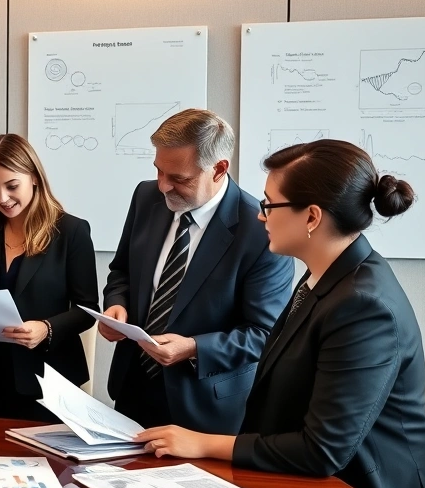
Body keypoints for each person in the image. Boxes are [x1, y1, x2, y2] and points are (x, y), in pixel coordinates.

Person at [135, 139, 425, 488]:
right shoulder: (323, 274)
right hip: (317, 482)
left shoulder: (364, 305)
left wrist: (203, 443)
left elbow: (322, 451)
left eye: (269, 205)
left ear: (312, 217)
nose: (260, 215)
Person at [100, 108, 293, 434]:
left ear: (218, 169)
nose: (163, 186)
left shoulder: (260, 231)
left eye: (179, 179)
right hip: (132, 388)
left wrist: (192, 348)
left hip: (205, 407)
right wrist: (117, 305)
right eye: (159, 171)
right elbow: (122, 271)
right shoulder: (145, 196)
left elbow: (265, 334)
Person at [0, 134, 99, 421]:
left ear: (34, 178)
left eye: (12, 186)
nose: (2, 198)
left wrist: (46, 328)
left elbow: (88, 310)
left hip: (49, 380)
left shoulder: (71, 232)